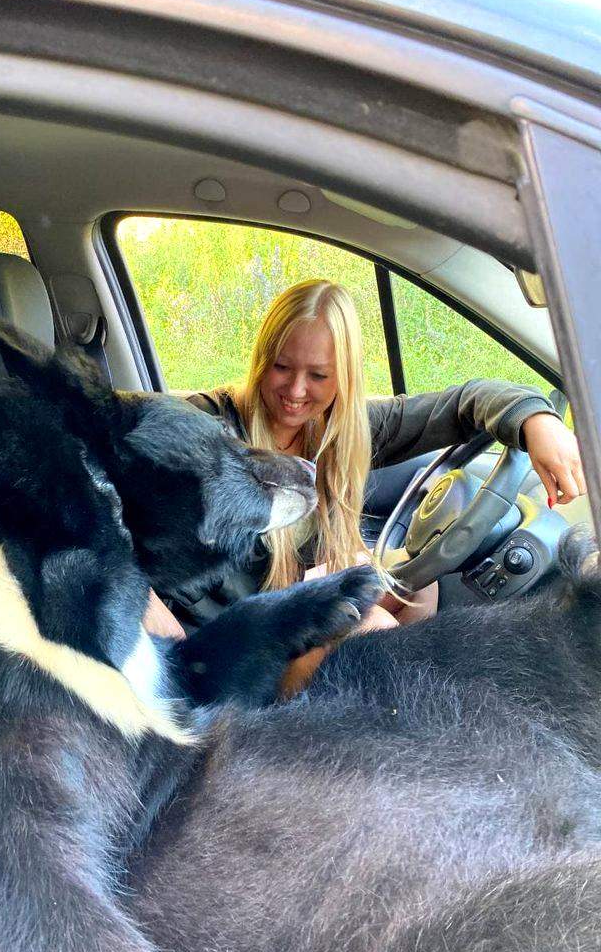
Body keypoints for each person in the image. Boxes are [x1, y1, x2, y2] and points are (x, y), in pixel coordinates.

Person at [144, 280, 585, 680]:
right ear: (261, 358)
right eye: (282, 367)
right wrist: (171, 655)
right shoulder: (206, 430)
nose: (296, 391)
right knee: (374, 631)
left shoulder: (343, 433)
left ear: (343, 378)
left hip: (284, 612)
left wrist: (535, 419)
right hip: (219, 653)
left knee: (416, 587)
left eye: (318, 375)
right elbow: (98, 516)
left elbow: (463, 404)